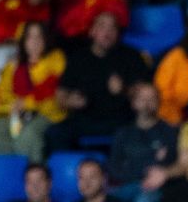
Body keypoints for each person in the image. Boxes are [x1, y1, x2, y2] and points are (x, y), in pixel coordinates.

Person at [46, 11, 152, 154]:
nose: (107, 32)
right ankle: (74, 168)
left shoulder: (132, 56)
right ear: (92, 31)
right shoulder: (78, 58)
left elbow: (146, 94)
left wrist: (124, 90)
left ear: (118, 33)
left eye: (112, 28)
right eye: (102, 26)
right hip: (85, 120)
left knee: (138, 133)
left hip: (121, 119)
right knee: (55, 133)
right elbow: (61, 94)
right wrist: (70, 101)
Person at [0, 21, 66, 164]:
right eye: (30, 37)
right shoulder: (13, 65)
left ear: (46, 39)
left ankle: (36, 173)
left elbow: (50, 92)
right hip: (17, 114)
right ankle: (14, 171)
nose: (35, 41)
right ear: (23, 41)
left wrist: (26, 103)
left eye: (39, 36)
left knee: (27, 137)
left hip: (46, 113)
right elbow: (2, 94)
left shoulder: (56, 59)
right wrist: (11, 106)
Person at [109, 83, 179, 202]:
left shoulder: (170, 132)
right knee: (105, 201)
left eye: (151, 98)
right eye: (142, 99)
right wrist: (145, 167)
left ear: (159, 102)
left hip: (157, 189)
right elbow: (114, 167)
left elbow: (172, 165)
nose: (147, 103)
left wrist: (139, 166)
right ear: (134, 103)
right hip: (127, 185)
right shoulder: (123, 133)